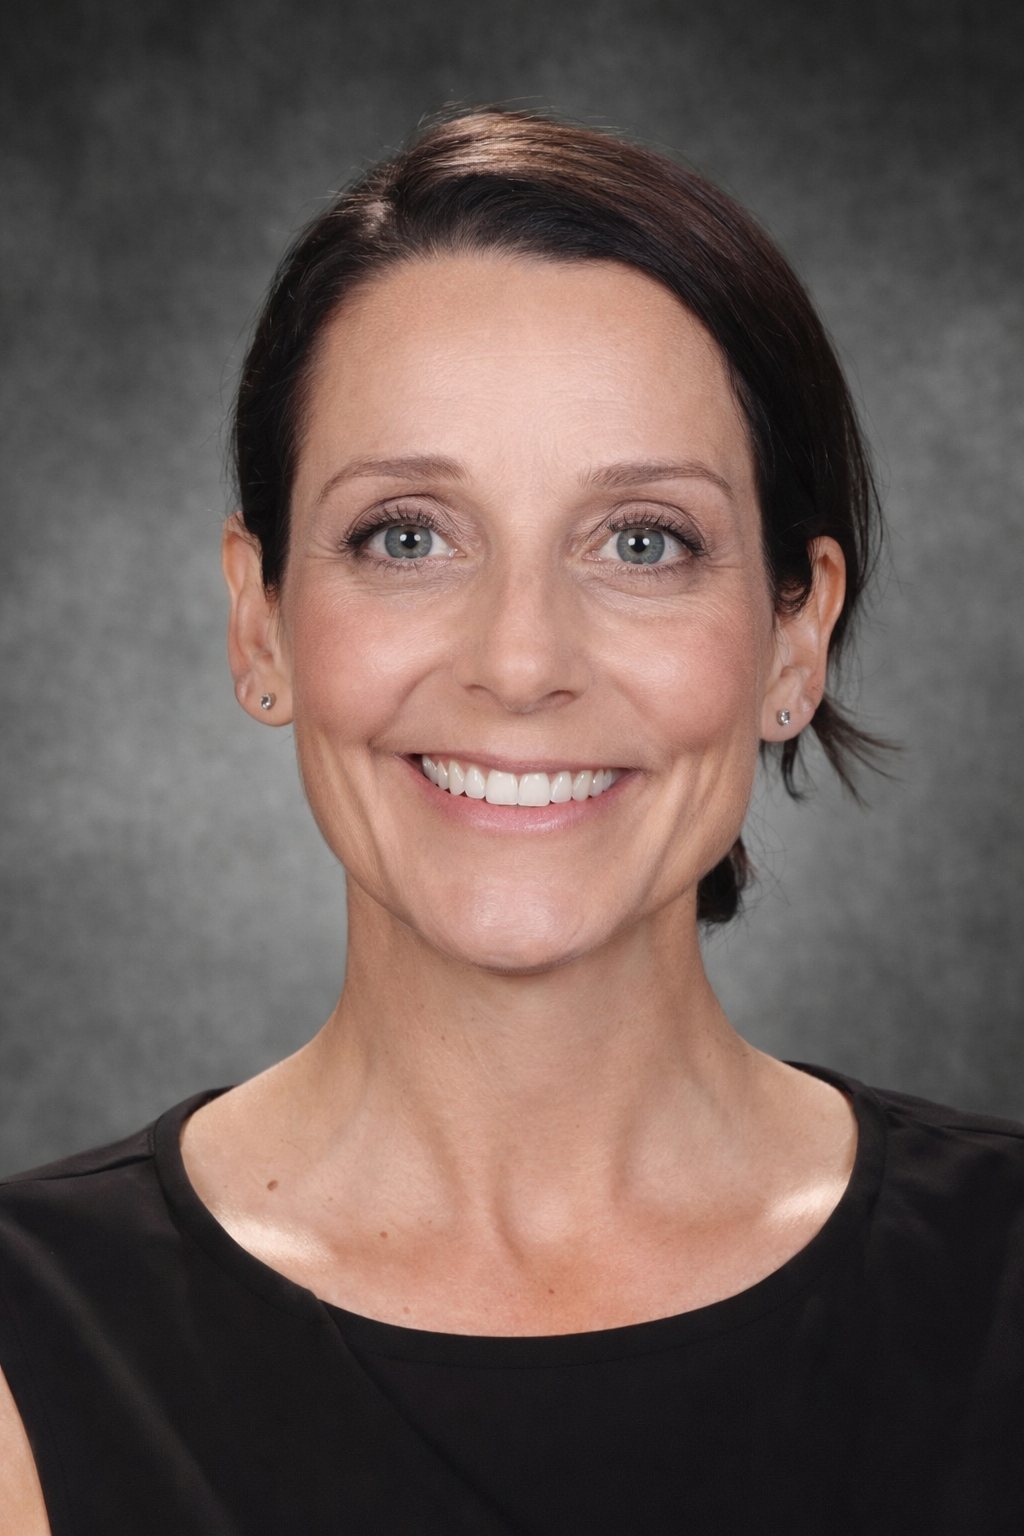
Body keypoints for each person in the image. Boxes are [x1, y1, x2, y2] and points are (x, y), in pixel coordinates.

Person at [0, 108, 1021, 1536]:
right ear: (262, 623)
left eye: (644, 541)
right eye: (407, 535)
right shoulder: (22, 1356)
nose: (522, 660)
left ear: (798, 637)